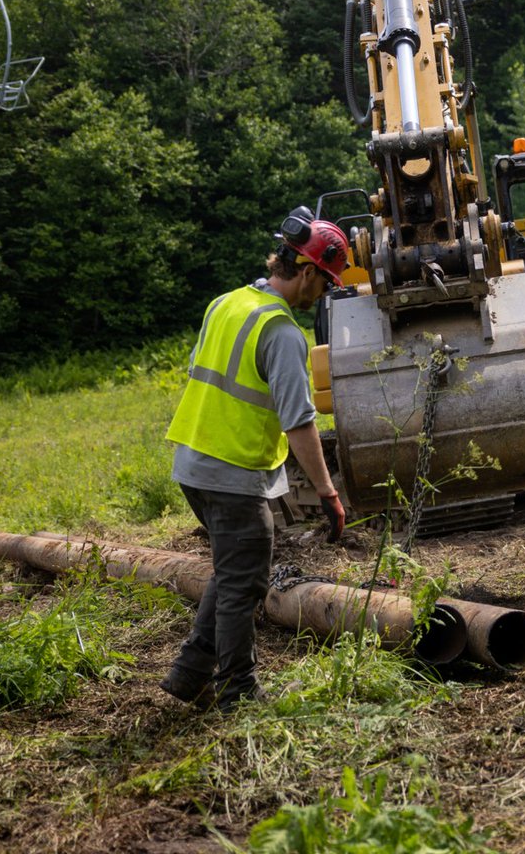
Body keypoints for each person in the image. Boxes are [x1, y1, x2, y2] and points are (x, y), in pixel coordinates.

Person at [160, 208, 349, 713]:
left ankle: (190, 673)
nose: (324, 295)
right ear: (306, 271)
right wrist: (328, 492)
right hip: (231, 472)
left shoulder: (227, 302)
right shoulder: (283, 333)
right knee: (246, 582)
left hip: (192, 464)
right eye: (326, 283)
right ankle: (238, 690)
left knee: (231, 569)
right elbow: (299, 422)